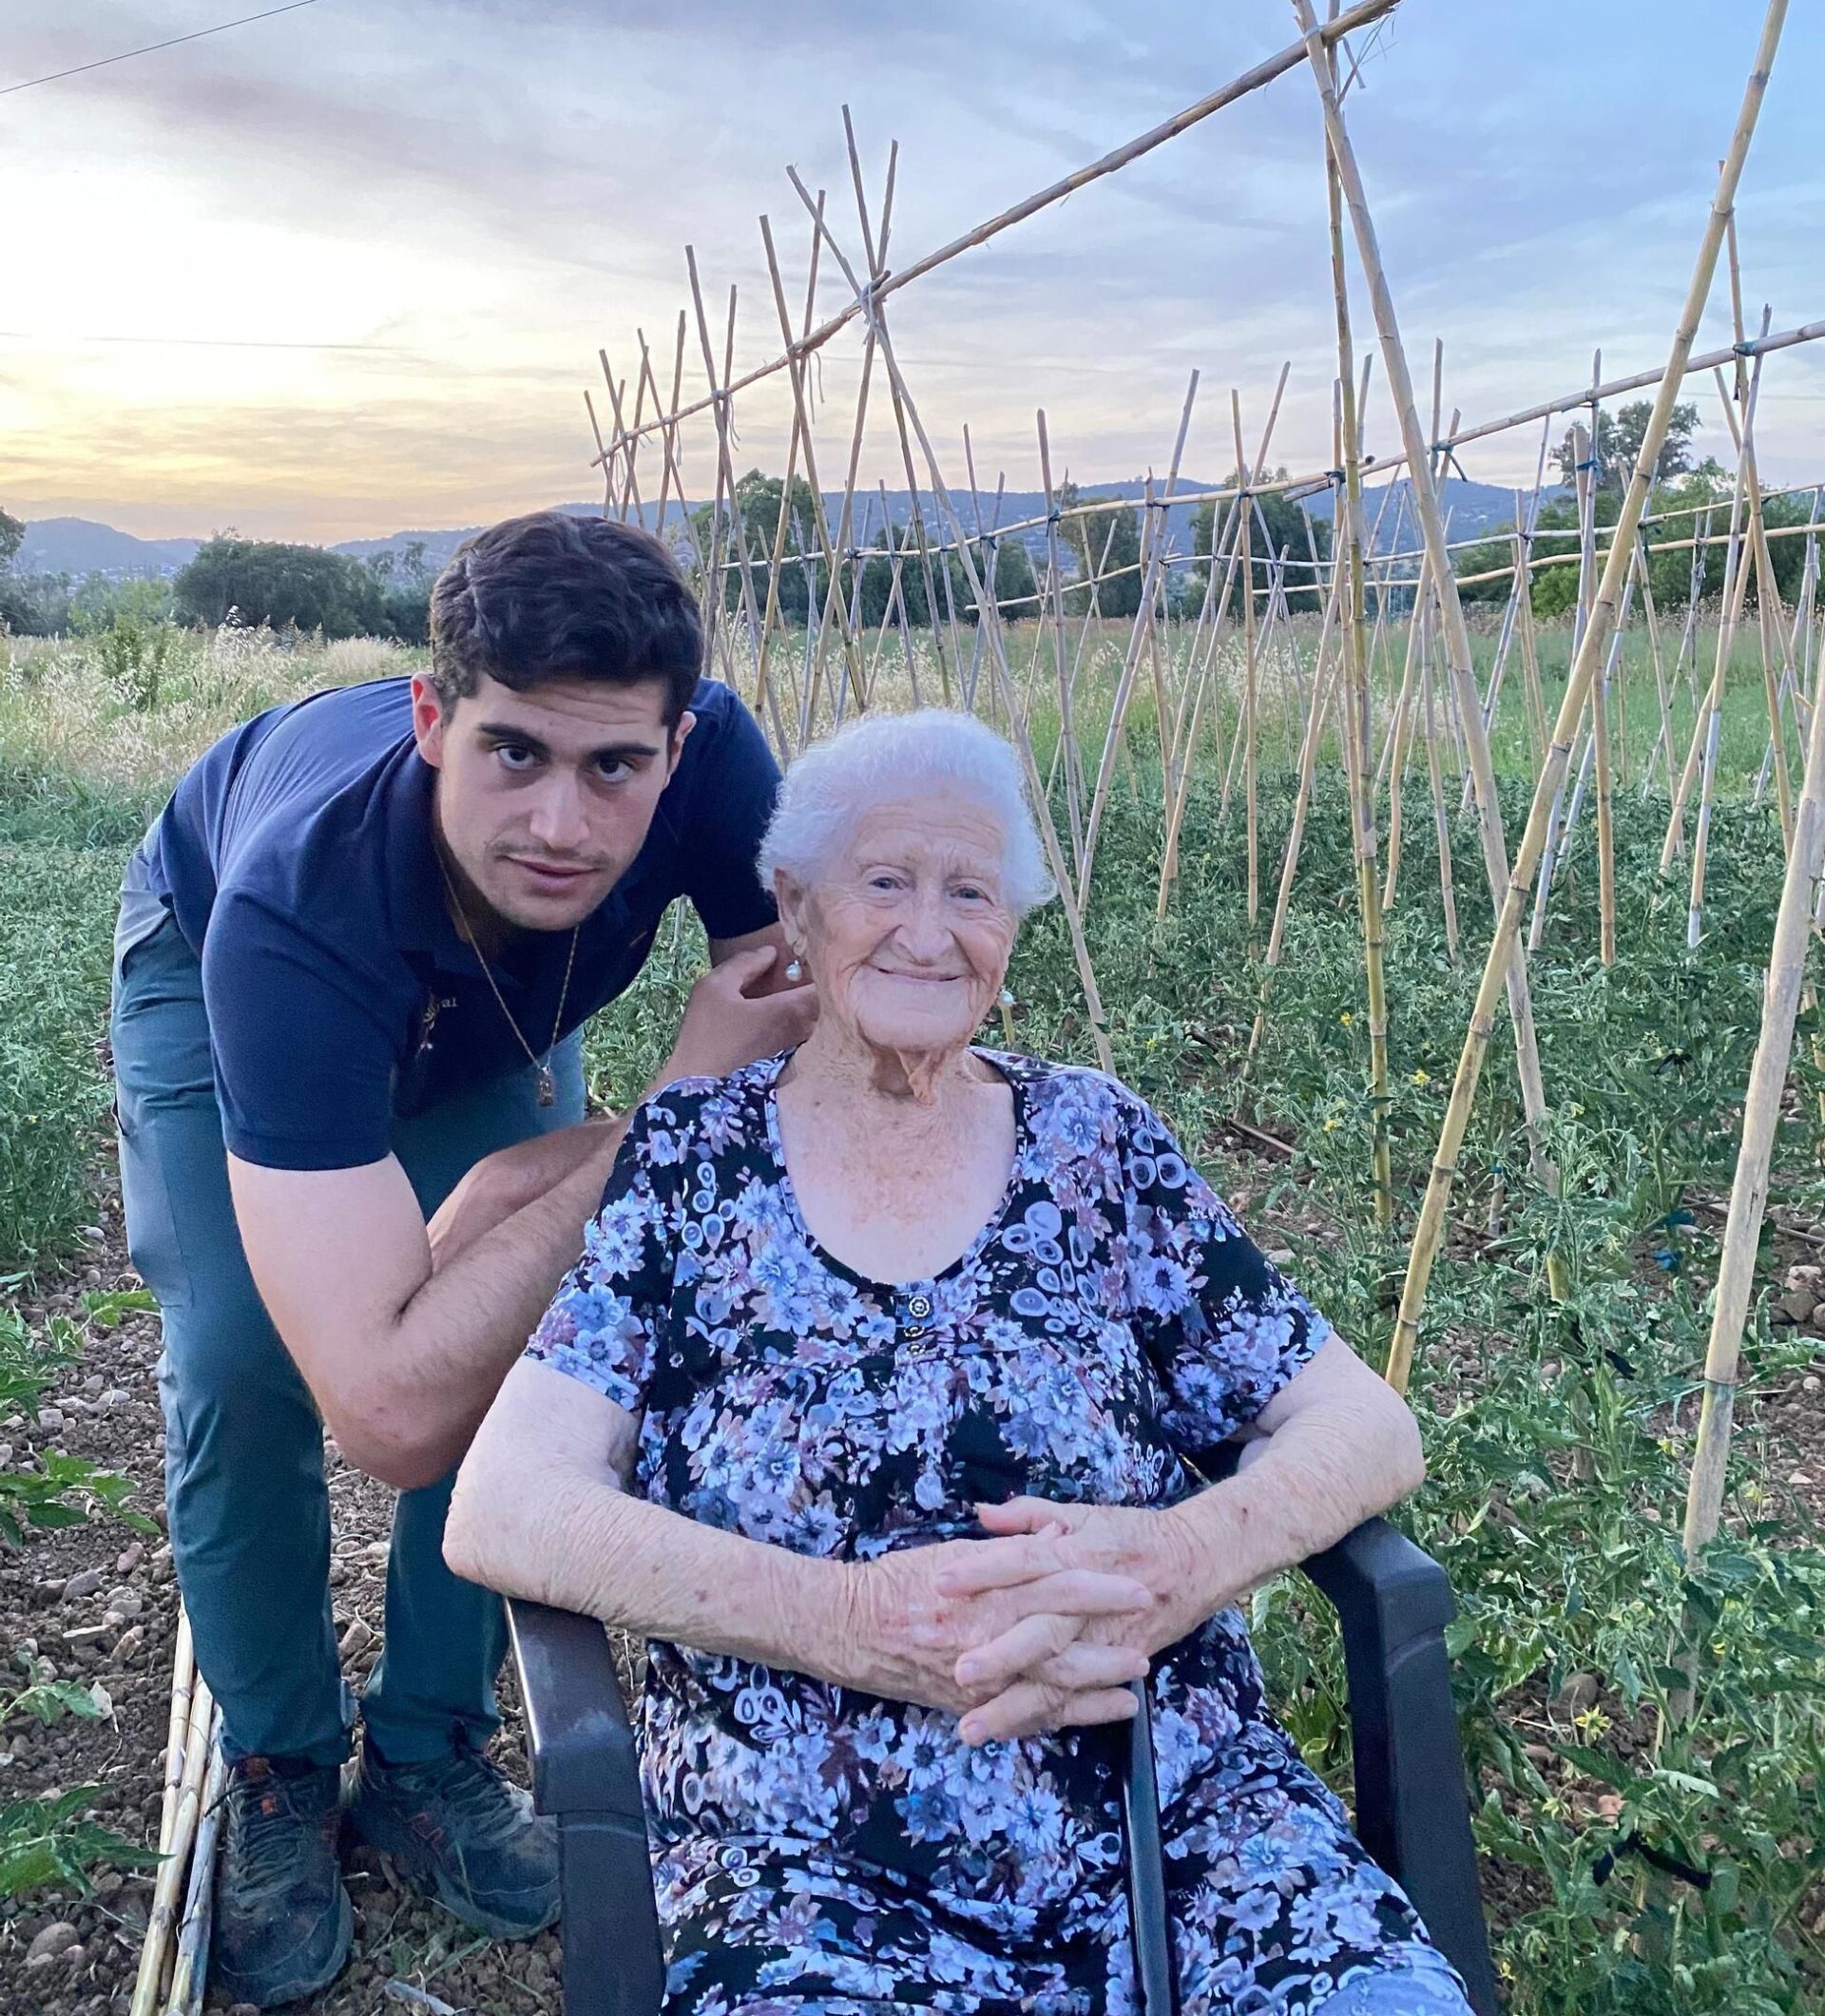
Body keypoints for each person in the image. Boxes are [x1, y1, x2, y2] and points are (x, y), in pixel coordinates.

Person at [447, 707, 1476, 2015]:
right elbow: (505, 1505)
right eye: (885, 883)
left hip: (1179, 1820)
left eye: (972, 892)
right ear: (795, 907)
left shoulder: (1096, 1143)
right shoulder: (692, 1164)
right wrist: (858, 1624)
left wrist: (1178, 1563)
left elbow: (1367, 1425)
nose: (929, 933)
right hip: (807, 1866)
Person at [110, 510, 816, 2008]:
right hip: (223, 961)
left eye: (613, 767)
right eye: (513, 751)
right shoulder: (293, 907)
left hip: (505, 1004)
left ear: (677, 750)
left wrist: (529, 1187)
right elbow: (385, 1413)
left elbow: (819, 1058)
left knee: (516, 1332)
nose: (561, 822)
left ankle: (428, 1747)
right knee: (245, 1358)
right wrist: (658, 1128)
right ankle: (278, 1761)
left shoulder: (722, 775)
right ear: (434, 719)